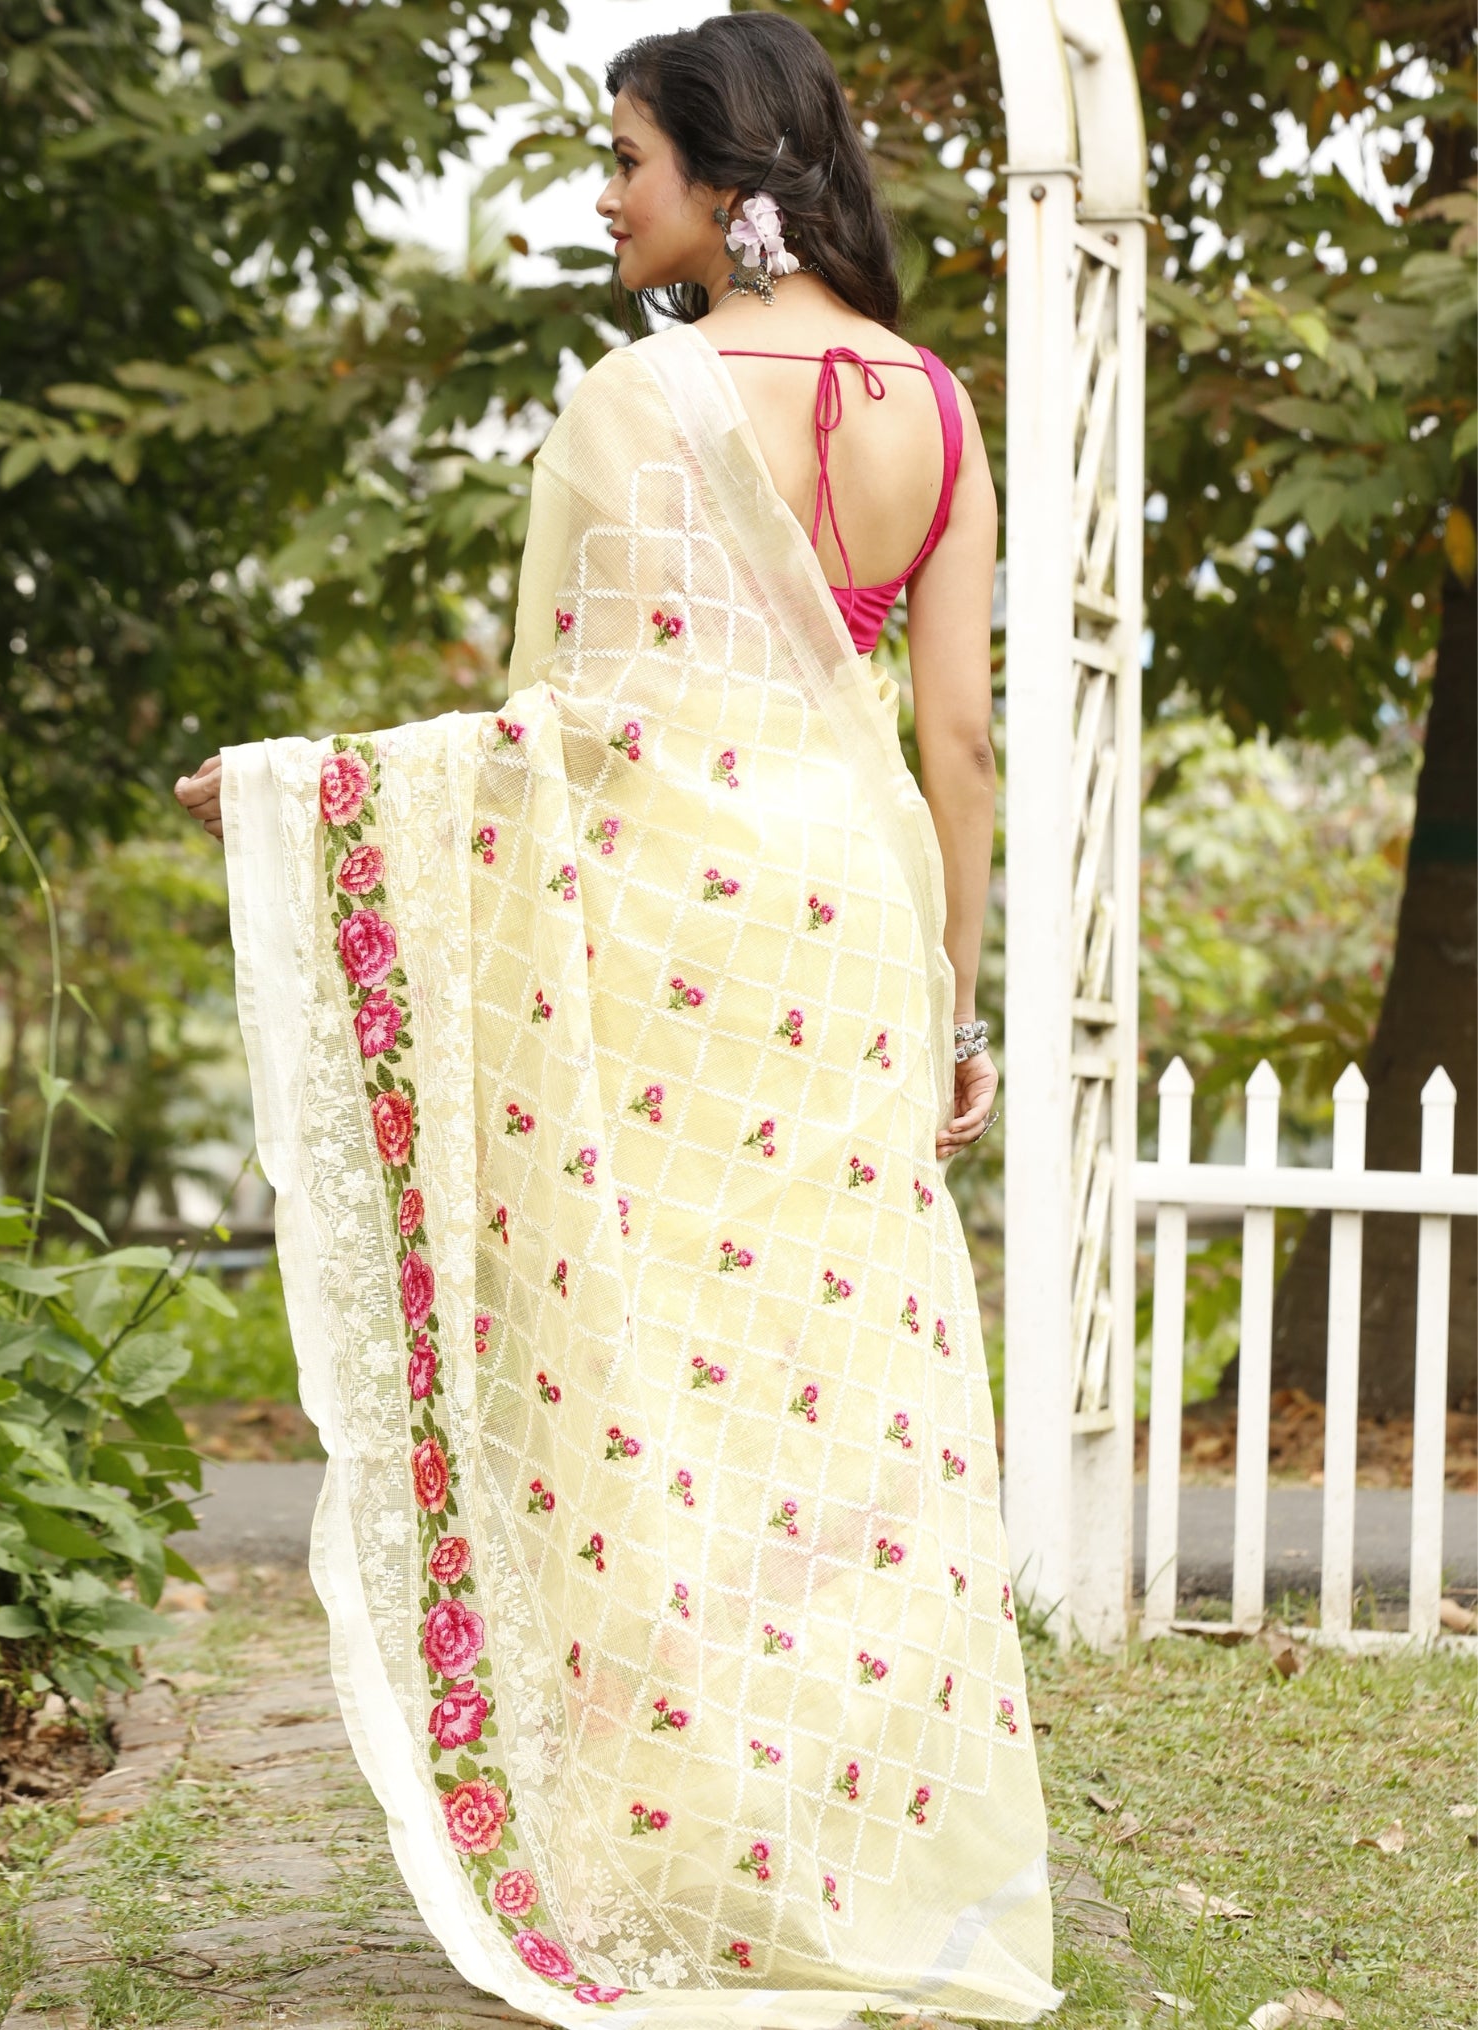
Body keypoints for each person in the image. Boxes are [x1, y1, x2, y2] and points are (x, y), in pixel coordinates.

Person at [175, 13, 1059, 2025]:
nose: (602, 198)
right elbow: (958, 740)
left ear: (730, 183)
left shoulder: (634, 402)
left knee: (654, 1371)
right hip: (850, 929)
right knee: (840, 1384)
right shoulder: (933, 401)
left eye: (628, 161)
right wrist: (951, 997)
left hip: (669, 924)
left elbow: (555, 734)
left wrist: (308, 789)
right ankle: (840, 1856)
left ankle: (675, 1847)